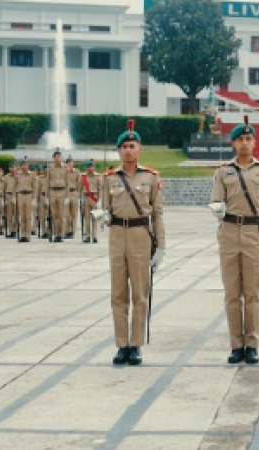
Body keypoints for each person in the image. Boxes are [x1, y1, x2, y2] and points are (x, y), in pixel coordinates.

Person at [209, 118, 259, 365]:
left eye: (249, 139)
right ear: (233, 143)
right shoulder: (223, 171)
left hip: (253, 234)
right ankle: (236, 345)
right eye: (240, 140)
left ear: (254, 142)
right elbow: (216, 200)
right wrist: (216, 208)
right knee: (231, 293)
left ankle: (252, 344)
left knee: (252, 293)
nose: (245, 143)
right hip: (229, 232)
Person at [101, 119, 165, 365]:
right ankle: (122, 345)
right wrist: (101, 216)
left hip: (141, 236)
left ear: (140, 149)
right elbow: (104, 208)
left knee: (140, 294)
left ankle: (136, 344)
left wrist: (161, 245)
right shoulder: (109, 178)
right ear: (119, 150)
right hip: (117, 235)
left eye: (132, 145)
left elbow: (157, 213)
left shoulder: (150, 177)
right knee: (118, 294)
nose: (128, 150)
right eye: (124, 146)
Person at [45, 150, 71, 242]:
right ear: (53, 158)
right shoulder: (50, 168)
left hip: (62, 192)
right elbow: (47, 182)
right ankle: (56, 234)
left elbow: (68, 182)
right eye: (56, 157)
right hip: (52, 192)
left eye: (59, 156)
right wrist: (46, 197)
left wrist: (67, 196)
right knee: (54, 215)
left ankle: (61, 234)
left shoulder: (65, 168)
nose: (58, 158)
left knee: (61, 215)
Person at [14, 159, 38, 243]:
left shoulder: (32, 175)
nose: (24, 166)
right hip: (20, 195)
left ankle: (27, 235)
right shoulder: (18, 175)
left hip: (29, 195)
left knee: (28, 217)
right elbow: (15, 186)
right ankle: (22, 234)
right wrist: (14, 196)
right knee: (22, 217)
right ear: (21, 166)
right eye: (23, 165)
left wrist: (34, 198)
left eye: (26, 164)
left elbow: (35, 187)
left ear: (28, 165)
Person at [80, 160, 102, 243]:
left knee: (95, 218)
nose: (90, 168)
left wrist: (100, 200)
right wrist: (80, 199)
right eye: (88, 167)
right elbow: (80, 187)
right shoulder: (83, 177)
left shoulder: (97, 176)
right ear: (86, 168)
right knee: (87, 218)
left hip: (95, 197)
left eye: (92, 166)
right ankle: (88, 236)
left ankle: (95, 236)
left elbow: (100, 188)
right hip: (86, 197)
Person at [65, 157, 81, 239]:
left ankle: (73, 231)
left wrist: (78, 195)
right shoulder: (64, 172)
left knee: (74, 214)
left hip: (74, 193)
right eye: (69, 163)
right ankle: (66, 231)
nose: (70, 164)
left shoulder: (77, 172)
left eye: (71, 163)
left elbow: (79, 183)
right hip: (66, 194)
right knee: (66, 214)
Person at [2, 165, 17, 239]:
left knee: (17, 215)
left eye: (13, 167)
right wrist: (3, 199)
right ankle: (12, 231)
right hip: (8, 195)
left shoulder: (18, 176)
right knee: (9, 215)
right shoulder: (6, 177)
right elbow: (3, 188)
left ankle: (17, 230)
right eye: (10, 167)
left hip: (17, 196)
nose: (12, 169)